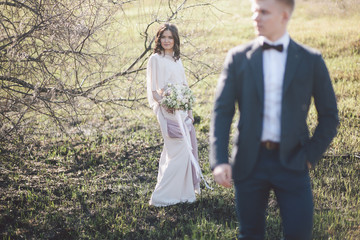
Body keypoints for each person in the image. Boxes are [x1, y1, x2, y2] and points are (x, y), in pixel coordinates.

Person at [210, 0, 339, 239]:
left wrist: (309, 157)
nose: (256, 18)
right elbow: (222, 111)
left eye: (264, 12)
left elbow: (330, 117)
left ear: (284, 15)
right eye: (254, 12)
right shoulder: (238, 58)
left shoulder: (311, 60)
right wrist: (219, 160)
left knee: (299, 234)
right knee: (250, 234)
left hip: (294, 162)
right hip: (249, 163)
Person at [147, 23, 201, 207]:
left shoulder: (177, 60)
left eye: (170, 37)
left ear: (175, 40)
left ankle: (183, 194)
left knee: (185, 151)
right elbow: (154, 91)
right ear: (159, 39)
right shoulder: (155, 59)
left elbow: (185, 87)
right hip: (167, 111)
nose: (167, 41)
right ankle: (161, 196)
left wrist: (190, 112)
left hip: (183, 111)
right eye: (164, 37)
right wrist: (167, 104)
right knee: (178, 151)